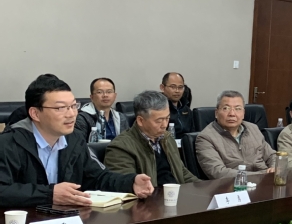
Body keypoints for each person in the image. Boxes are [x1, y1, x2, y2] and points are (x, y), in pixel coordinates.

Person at [0, 75, 153, 207]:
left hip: (65, 220)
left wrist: (130, 182)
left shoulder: (74, 139)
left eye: (73, 106)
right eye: (60, 108)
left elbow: (96, 178)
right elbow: (3, 190)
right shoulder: (8, 143)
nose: (71, 114)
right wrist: (49, 194)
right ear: (35, 113)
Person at [105, 91, 199, 186]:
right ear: (140, 120)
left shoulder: (167, 138)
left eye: (167, 118)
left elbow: (181, 172)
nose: (164, 125)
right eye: (159, 121)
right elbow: (127, 185)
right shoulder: (121, 147)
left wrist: (201, 187)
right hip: (150, 194)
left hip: (174, 193)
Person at [195, 90, 276, 179]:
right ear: (216, 113)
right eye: (226, 108)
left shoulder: (253, 128)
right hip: (233, 184)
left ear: (243, 113)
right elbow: (218, 172)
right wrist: (262, 175)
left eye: (238, 109)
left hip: (264, 181)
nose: (232, 114)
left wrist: (274, 168)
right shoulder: (206, 138)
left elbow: (272, 156)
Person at [160, 72, 192, 138]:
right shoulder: (158, 108)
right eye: (173, 87)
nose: (177, 91)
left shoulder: (186, 109)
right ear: (162, 87)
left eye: (180, 87)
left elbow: (193, 133)